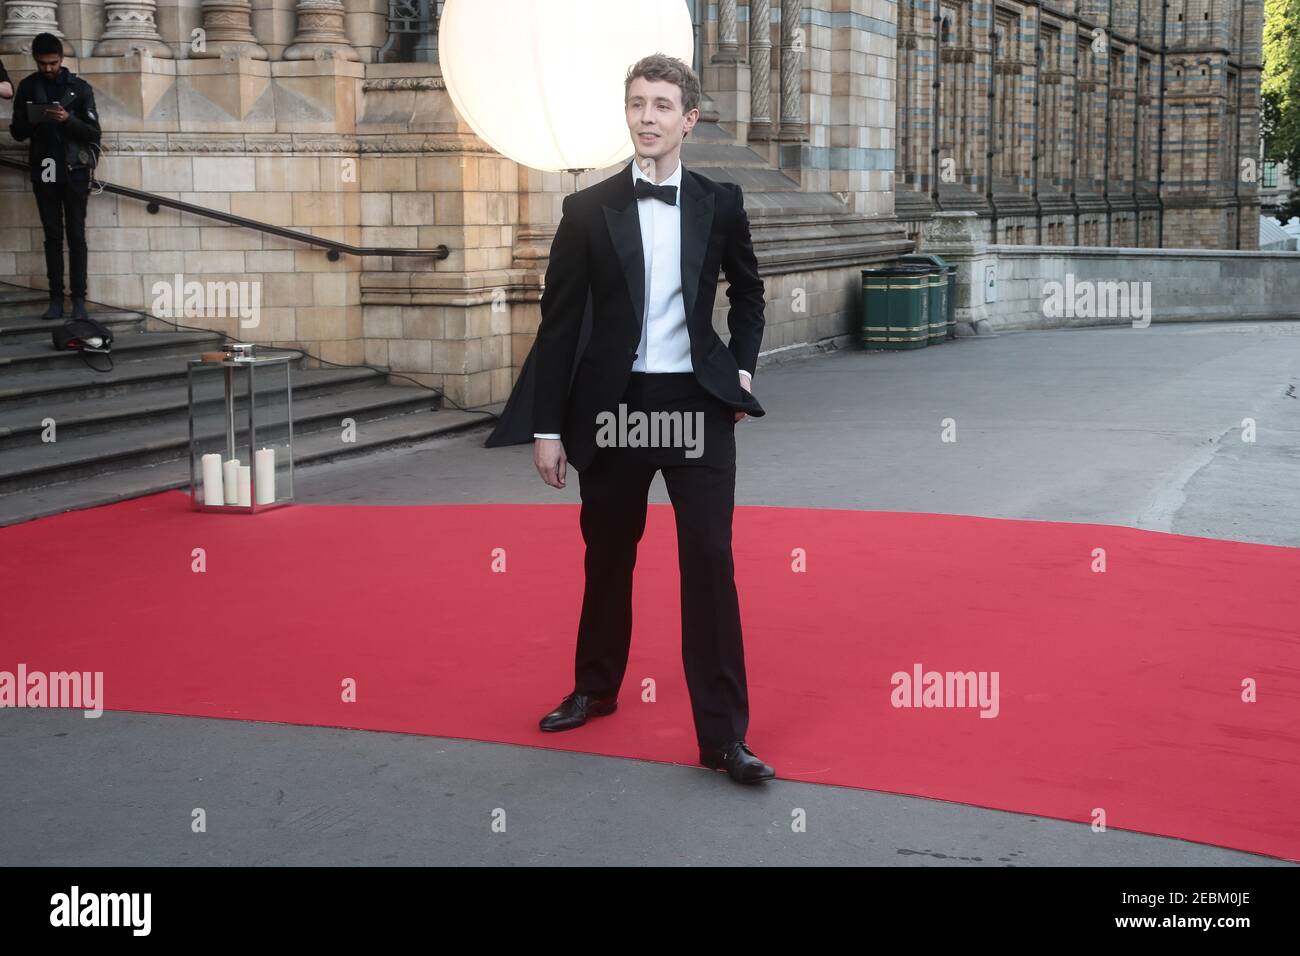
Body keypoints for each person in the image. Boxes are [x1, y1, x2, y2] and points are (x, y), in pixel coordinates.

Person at [497, 54, 774, 784]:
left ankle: (723, 738)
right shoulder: (588, 211)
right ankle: (594, 687)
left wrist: (741, 369)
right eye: (635, 104)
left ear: (688, 119)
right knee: (609, 554)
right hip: (616, 411)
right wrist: (548, 428)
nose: (645, 117)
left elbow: (750, 295)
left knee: (710, 563)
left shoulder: (722, 202)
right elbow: (559, 327)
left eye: (660, 105)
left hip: (696, 406)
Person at [8, 33, 102, 321]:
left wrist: (68, 120)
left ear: (61, 59)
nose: (48, 68)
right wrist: (35, 119)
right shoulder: (28, 87)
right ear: (36, 61)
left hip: (74, 168)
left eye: (53, 63)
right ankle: (56, 298)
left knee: (76, 234)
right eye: (42, 63)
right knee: (52, 235)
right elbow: (17, 131)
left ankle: (79, 299)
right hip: (46, 164)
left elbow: (94, 133)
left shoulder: (80, 88)